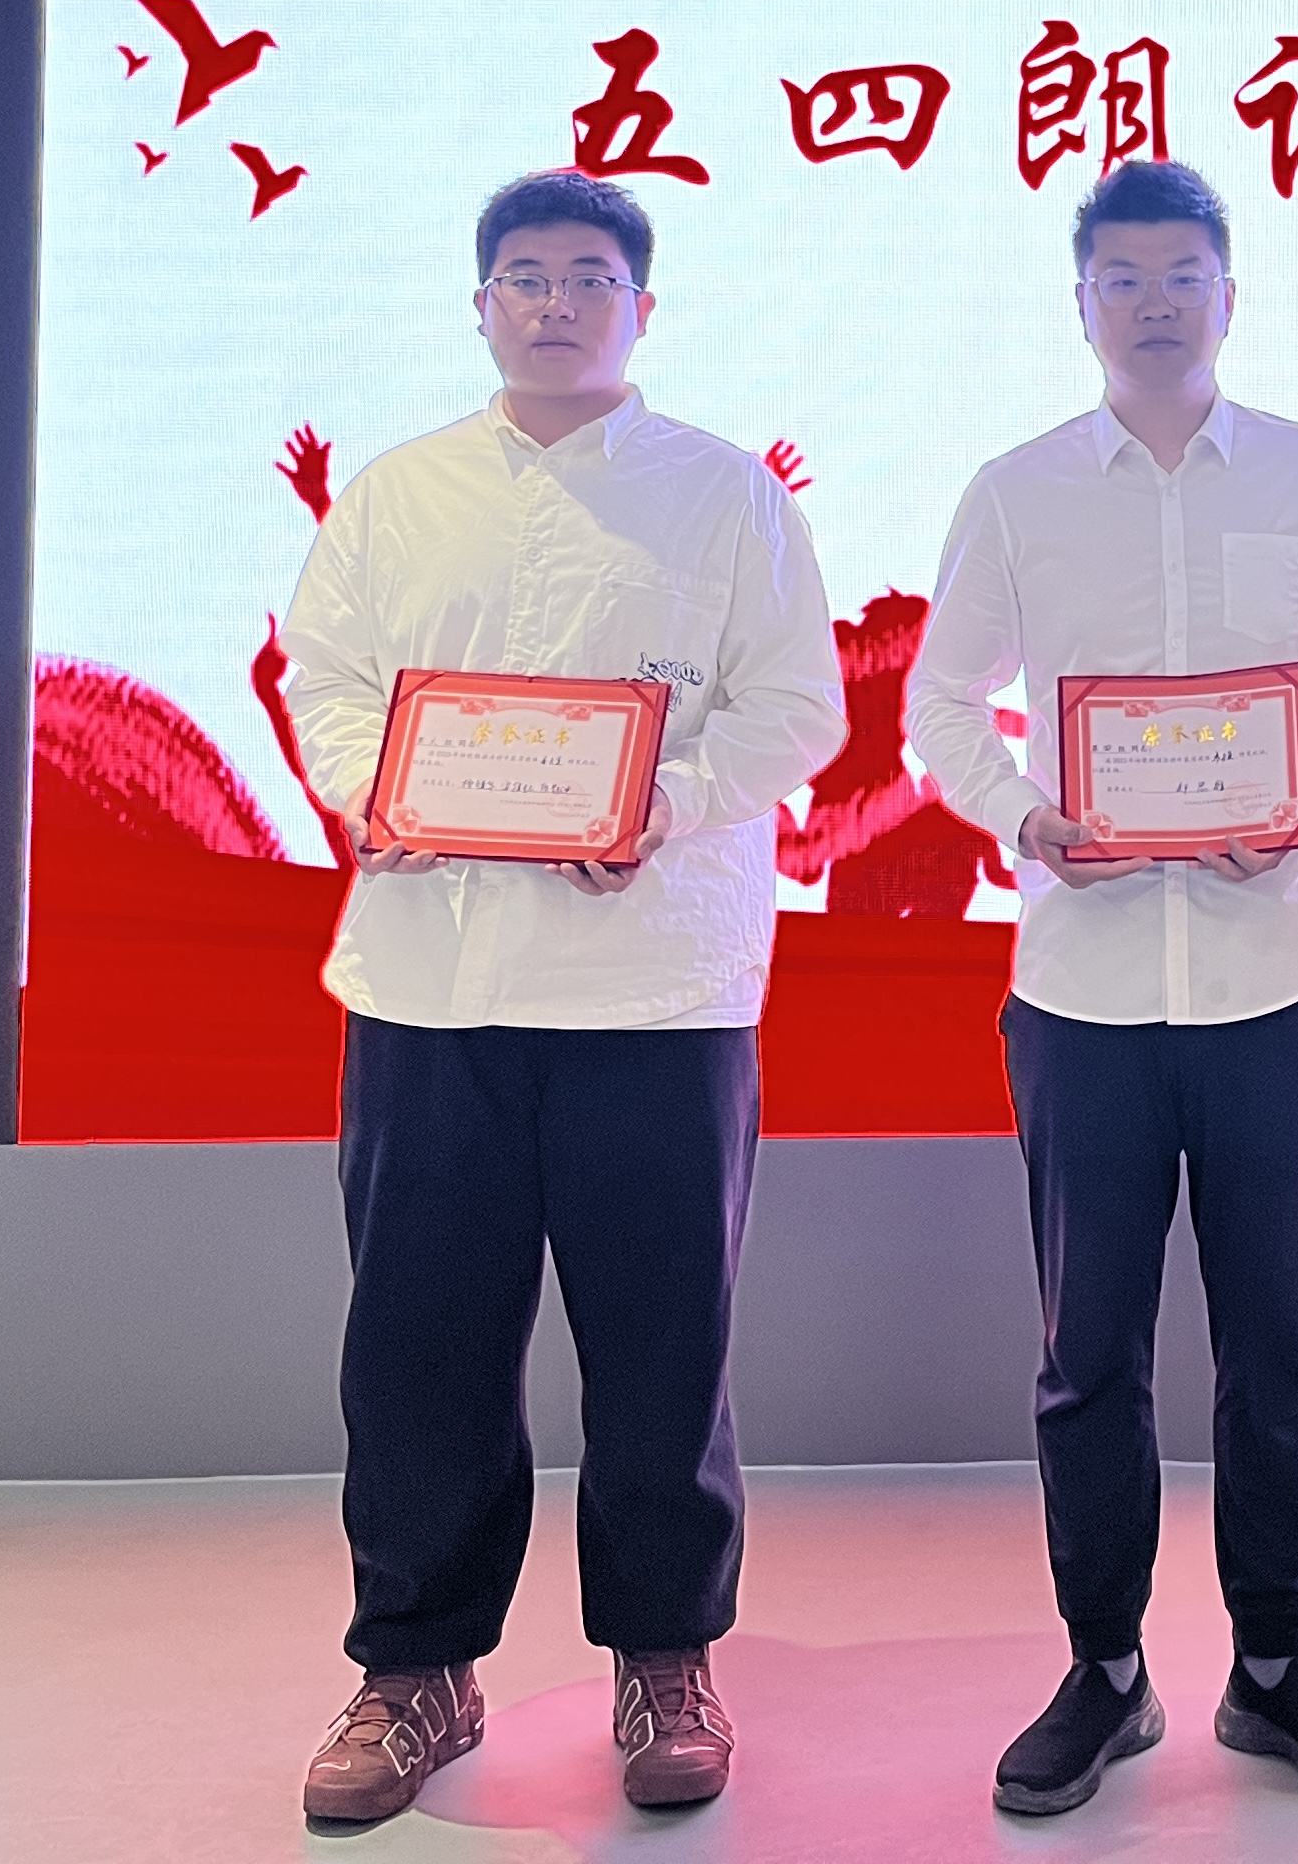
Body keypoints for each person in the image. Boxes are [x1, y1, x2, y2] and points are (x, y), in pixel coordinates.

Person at [280, 170, 844, 1825]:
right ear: (480, 306)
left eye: (589, 277)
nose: (553, 304)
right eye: (523, 276)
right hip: (431, 982)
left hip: (655, 988)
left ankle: (667, 1659)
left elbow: (796, 708)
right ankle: (416, 1670)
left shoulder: (728, 498)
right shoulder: (398, 495)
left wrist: (664, 802)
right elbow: (328, 681)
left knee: (664, 1347)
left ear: (640, 310)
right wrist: (370, 791)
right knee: (419, 1342)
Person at [908, 157, 1298, 1818]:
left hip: (1274, 974)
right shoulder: (1017, 492)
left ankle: (1275, 1664)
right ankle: (1106, 1669)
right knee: (1089, 1353)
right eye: (1121, 279)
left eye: (1181, 276)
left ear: (1228, 295)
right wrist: (1026, 818)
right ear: (1082, 305)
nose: (1152, 305)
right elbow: (939, 707)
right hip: (1087, 987)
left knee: (1281, 1342)